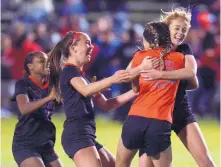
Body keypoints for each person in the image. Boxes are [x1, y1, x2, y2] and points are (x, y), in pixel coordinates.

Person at [47, 31, 158, 167]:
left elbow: (106, 104)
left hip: (87, 135)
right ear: (73, 47)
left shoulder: (83, 76)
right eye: (87, 43)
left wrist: (137, 92)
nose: (92, 46)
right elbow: (86, 90)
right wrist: (115, 78)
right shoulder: (70, 71)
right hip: (76, 136)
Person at [139, 8, 216, 167]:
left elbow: (192, 75)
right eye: (177, 28)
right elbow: (134, 74)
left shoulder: (184, 49)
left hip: (180, 111)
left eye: (184, 29)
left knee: (206, 162)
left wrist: (160, 75)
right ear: (167, 28)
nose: (181, 32)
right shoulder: (153, 48)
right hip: (154, 115)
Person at [115, 22, 185, 167]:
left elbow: (126, 76)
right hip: (160, 121)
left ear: (148, 41)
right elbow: (193, 81)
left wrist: (138, 73)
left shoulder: (140, 56)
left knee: (121, 164)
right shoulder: (179, 58)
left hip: (135, 119)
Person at [12, 51, 62, 167]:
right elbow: (24, 108)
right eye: (41, 61)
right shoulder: (23, 84)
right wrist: (48, 98)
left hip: (46, 143)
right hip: (25, 143)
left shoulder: (51, 86)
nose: (47, 63)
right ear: (31, 67)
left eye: (47, 60)